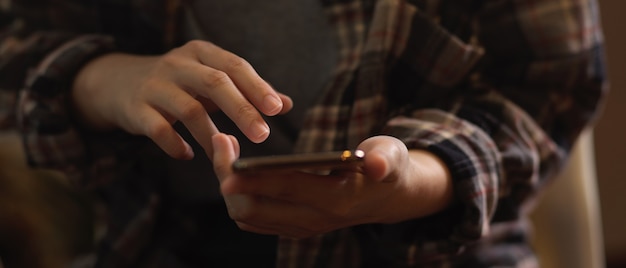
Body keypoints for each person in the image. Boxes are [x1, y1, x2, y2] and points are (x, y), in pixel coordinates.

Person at [0, 0, 608, 267]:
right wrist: (110, 80)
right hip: (165, 246)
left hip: (440, 254)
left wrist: (411, 179)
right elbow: (18, 45)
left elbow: (546, 88)